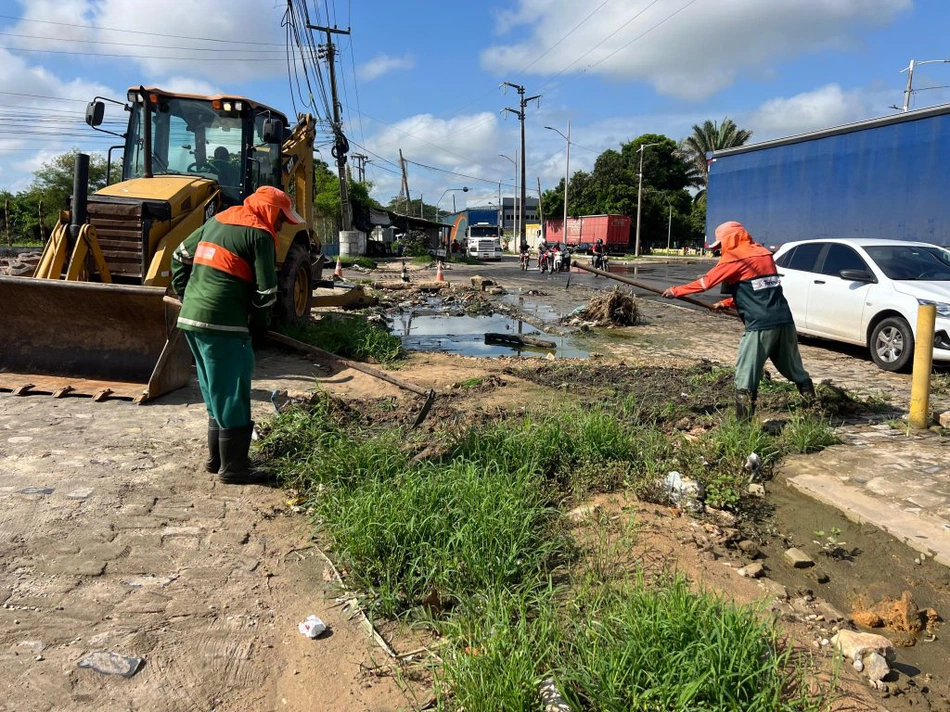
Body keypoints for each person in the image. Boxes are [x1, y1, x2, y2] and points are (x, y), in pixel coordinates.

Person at [171, 186, 305, 484]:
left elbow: (179, 256)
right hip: (224, 324)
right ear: (269, 212)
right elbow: (267, 293)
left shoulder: (218, 220)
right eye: (281, 218)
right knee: (232, 391)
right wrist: (259, 326)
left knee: (213, 388)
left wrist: (186, 294)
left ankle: (217, 458)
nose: (281, 225)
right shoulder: (260, 234)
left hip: (192, 319)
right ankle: (234, 468)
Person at [662, 220, 814, 419]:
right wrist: (726, 303)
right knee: (792, 368)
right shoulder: (764, 255)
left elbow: (706, 282)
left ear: (728, 240)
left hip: (760, 326)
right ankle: (813, 407)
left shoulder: (734, 258)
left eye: (720, 245)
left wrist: (676, 291)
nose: (719, 250)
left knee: (746, 373)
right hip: (784, 321)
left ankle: (743, 426)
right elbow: (758, 289)